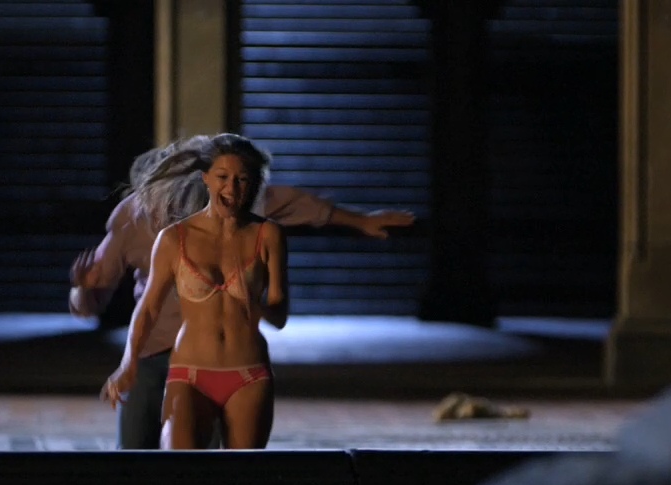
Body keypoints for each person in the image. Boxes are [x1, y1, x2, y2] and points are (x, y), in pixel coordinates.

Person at [71, 137, 415, 449]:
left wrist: (361, 221)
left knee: (231, 466)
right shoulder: (140, 220)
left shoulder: (253, 219)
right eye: (221, 177)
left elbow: (297, 204)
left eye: (240, 180)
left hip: (240, 364)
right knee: (139, 450)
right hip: (157, 353)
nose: (230, 189)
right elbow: (112, 297)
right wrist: (85, 298)